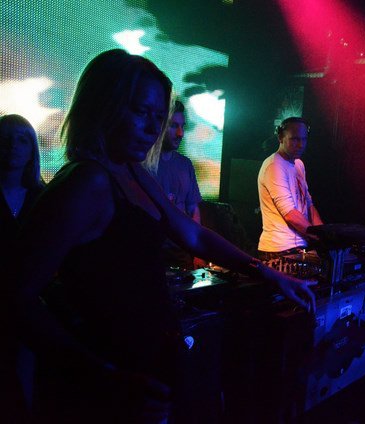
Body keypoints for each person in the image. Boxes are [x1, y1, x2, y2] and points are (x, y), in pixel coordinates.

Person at [10, 49, 315, 423]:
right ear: (103, 106)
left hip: (142, 365)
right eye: (141, 112)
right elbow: (16, 297)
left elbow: (193, 235)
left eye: (159, 117)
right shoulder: (85, 182)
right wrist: (101, 376)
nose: (152, 128)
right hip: (109, 377)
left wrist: (265, 272)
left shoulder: (132, 172)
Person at [1, 114, 45, 423]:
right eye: (5, 138)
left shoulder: (45, 198)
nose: (12, 146)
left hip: (33, 308)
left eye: (21, 139)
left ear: (32, 148)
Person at [146, 99, 202, 270]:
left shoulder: (185, 164)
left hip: (181, 253)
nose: (180, 133)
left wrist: (197, 252)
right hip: (150, 252)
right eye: (173, 126)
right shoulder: (143, 164)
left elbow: (193, 209)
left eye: (182, 126)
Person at [257, 117, 323, 259]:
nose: (301, 145)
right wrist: (318, 236)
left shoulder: (299, 164)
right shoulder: (274, 166)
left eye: (304, 139)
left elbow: (309, 205)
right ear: (280, 137)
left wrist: (324, 233)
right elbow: (289, 213)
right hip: (279, 249)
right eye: (295, 139)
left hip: (299, 246)